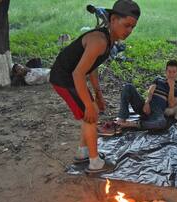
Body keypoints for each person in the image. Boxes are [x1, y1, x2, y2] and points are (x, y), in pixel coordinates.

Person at [49, 0, 140, 173]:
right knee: (90, 115)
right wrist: (89, 104)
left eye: (132, 27)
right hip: (64, 78)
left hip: (73, 77)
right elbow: (78, 74)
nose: (129, 31)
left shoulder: (109, 40)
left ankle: (83, 153)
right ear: (113, 19)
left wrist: (98, 95)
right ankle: (94, 162)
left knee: (91, 112)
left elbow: (92, 67)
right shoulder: (99, 40)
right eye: (126, 25)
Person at [116, 59, 177, 130]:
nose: (171, 74)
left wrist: (172, 87)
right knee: (128, 87)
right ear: (165, 72)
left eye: (174, 72)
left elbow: (171, 104)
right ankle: (121, 119)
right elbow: (150, 91)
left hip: (158, 111)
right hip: (145, 106)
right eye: (169, 72)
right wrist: (147, 103)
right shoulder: (158, 79)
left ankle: (134, 124)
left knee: (161, 123)